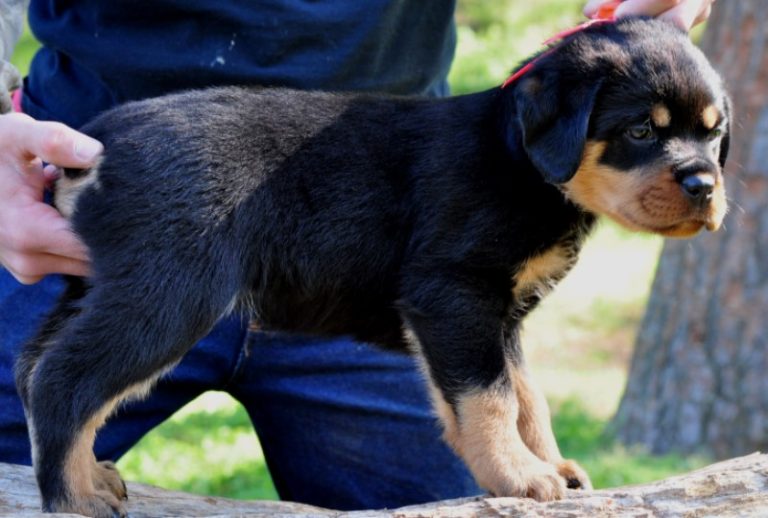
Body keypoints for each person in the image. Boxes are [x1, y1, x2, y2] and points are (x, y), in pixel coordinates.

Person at [0, 0, 716, 510]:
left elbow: (488, 313)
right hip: (112, 173)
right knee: (109, 349)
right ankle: (64, 470)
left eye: (713, 137)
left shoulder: (526, 184)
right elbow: (458, 299)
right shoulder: (504, 169)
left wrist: (537, 442)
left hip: (359, 275)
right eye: (644, 134)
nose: (699, 172)